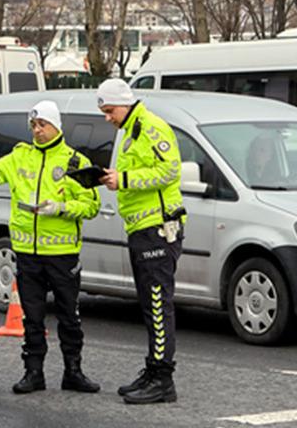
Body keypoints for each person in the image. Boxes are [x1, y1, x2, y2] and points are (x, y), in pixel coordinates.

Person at [0, 100, 101, 395]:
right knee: (32, 316)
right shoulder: (20, 156)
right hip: (28, 253)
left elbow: (91, 205)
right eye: (33, 125)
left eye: (43, 124)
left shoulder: (75, 162)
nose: (37, 130)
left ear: (56, 126)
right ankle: (33, 373)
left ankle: (73, 372)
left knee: (69, 316)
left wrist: (60, 208)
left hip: (62, 254)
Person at [96, 78, 184, 405]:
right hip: (141, 228)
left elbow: (170, 171)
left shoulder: (151, 127)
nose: (108, 118)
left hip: (158, 228)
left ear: (125, 103)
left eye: (110, 110)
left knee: (158, 304)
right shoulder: (131, 131)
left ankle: (163, 379)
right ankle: (153, 369)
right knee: (150, 305)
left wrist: (124, 179)